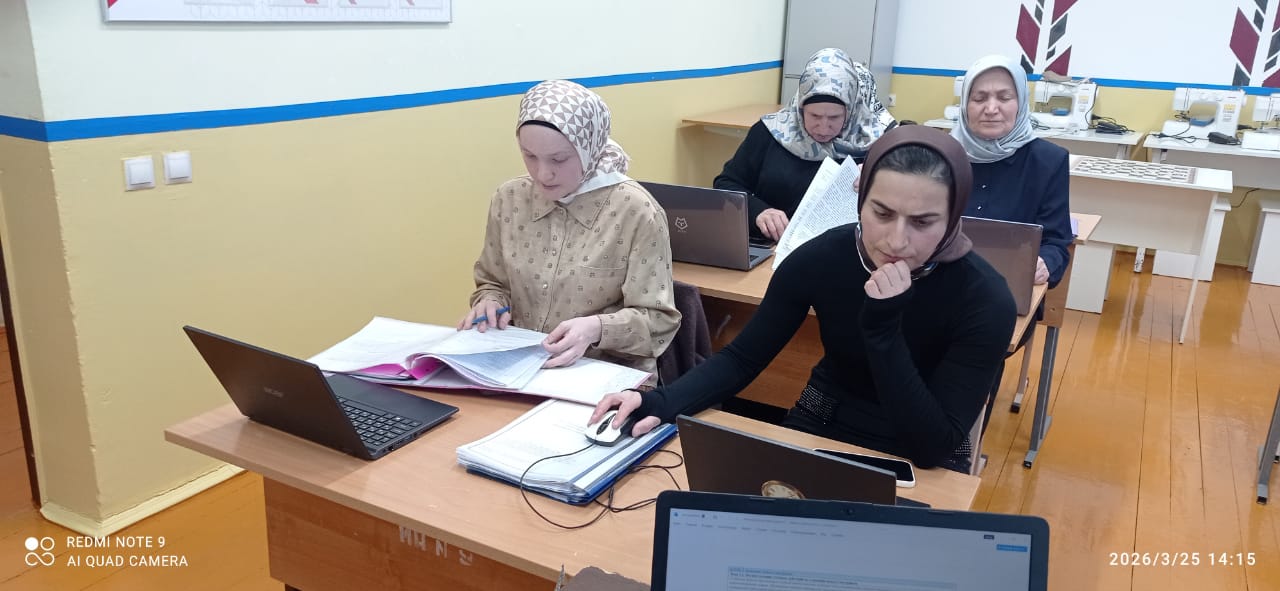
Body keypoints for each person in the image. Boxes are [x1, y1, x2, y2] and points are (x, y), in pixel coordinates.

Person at [592, 126, 1016, 473]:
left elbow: (931, 447)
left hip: (924, 442)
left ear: (953, 217)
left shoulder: (985, 298)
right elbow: (743, 358)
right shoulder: (825, 257)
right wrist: (659, 401)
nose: (896, 240)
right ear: (861, 201)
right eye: (882, 213)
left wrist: (883, 327)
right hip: (826, 411)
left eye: (923, 222)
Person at [459, 80, 681, 379]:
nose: (543, 173)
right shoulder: (509, 198)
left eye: (559, 159)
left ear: (590, 148)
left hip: (604, 376)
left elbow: (659, 320)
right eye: (529, 156)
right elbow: (492, 282)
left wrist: (596, 329)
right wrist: (490, 302)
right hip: (520, 368)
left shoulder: (635, 210)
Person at [714, 48, 895, 242]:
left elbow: (901, 204)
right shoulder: (770, 133)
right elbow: (726, 184)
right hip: (772, 246)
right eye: (814, 116)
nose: (823, 127)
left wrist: (880, 178)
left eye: (834, 117)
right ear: (800, 108)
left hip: (843, 249)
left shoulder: (874, 143)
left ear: (851, 112)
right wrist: (758, 212)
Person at [952, 55, 1072, 287]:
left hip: (1010, 287)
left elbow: (1056, 242)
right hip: (943, 282)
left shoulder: (1048, 162)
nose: (991, 109)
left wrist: (1045, 263)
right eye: (979, 98)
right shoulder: (943, 154)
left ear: (1021, 102)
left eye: (1004, 97)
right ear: (965, 104)